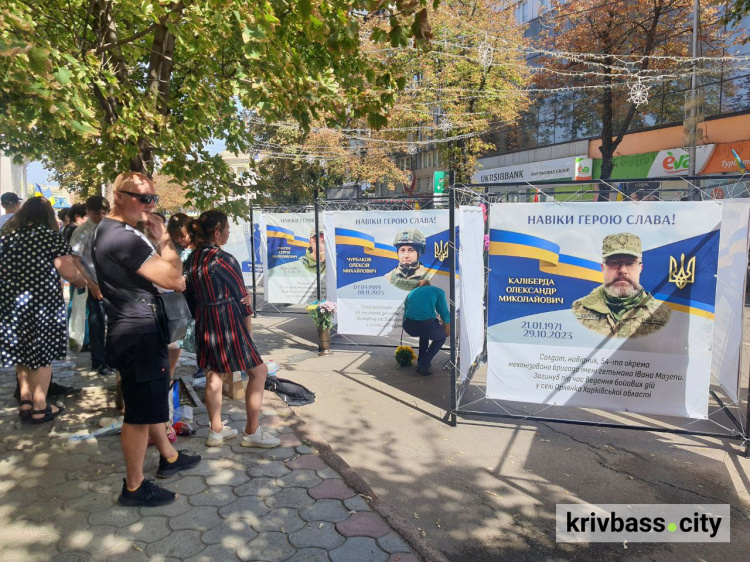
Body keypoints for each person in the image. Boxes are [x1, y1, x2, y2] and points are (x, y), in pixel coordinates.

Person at [92, 172, 200, 508]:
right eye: (143, 198)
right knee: (139, 414)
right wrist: (165, 240)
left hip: (136, 328)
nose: (150, 205)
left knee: (150, 401)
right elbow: (175, 278)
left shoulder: (116, 231)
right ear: (118, 196)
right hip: (137, 333)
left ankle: (168, 456)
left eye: (153, 198)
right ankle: (135, 487)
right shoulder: (122, 236)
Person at [184, 210, 280, 449]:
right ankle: (251, 431)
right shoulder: (223, 259)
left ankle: (216, 430)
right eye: (227, 229)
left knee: (213, 373)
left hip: (205, 321)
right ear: (217, 233)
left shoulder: (192, 258)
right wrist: (248, 332)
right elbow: (243, 300)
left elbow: (189, 298)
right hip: (227, 321)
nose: (228, 233)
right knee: (259, 371)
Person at [0, 198, 92, 423]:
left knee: (22, 353)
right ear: (47, 216)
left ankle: (25, 402)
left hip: (11, 305)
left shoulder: (5, 236)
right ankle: (40, 408)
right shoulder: (49, 237)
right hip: (43, 306)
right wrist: (83, 281)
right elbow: (68, 272)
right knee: (43, 356)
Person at [572, 233, 671, 338]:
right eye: (614, 262)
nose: (622, 270)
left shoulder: (662, 315)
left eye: (630, 263)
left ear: (640, 268)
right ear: (603, 268)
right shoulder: (578, 310)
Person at [69, 195, 113, 375]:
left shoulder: (109, 228)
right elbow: (75, 260)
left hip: (111, 283)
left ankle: (111, 359)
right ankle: (98, 361)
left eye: (104, 213)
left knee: (113, 323)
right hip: (94, 283)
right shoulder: (82, 232)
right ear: (88, 212)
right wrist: (91, 284)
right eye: (96, 213)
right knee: (97, 324)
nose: (101, 216)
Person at [402, 280, 450, 375]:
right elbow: (444, 312)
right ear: (429, 285)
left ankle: (421, 360)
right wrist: (447, 330)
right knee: (441, 338)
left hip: (408, 325)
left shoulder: (411, 293)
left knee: (424, 333)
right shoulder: (437, 291)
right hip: (425, 325)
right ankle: (423, 365)